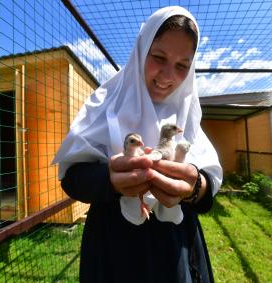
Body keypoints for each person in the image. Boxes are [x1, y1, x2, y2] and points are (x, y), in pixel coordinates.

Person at [52, 6, 222, 283]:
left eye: (182, 65)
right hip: (114, 245)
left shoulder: (188, 111)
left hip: (176, 244)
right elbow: (72, 178)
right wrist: (110, 179)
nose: (167, 76)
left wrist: (194, 189)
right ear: (141, 51)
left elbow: (206, 192)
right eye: (158, 57)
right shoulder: (105, 102)